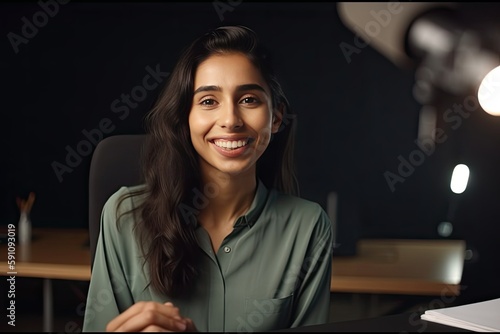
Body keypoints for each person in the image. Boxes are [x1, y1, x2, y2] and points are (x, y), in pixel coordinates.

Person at [82, 25, 334, 332]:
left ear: (276, 117)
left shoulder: (308, 227)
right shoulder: (123, 215)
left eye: (249, 99)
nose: (230, 120)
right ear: (184, 117)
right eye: (208, 101)